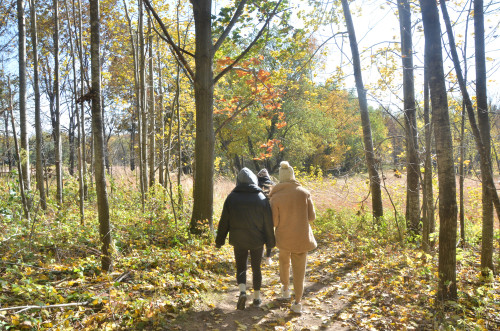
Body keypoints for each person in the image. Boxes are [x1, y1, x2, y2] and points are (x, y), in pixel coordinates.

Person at [215, 167, 276, 310]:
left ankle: (242, 291)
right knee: (256, 268)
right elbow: (268, 223)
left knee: (241, 267)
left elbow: (224, 221)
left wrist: (220, 241)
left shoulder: (231, 198)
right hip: (257, 240)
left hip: (238, 239)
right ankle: (256, 298)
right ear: (254, 180)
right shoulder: (261, 198)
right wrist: (270, 243)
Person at [269, 161, 317, 314]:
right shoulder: (304, 193)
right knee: (300, 271)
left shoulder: (275, 197)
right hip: (301, 237)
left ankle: (285, 289)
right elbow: (311, 217)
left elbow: (274, 222)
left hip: (283, 237)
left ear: (280, 178)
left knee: (284, 262)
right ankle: (297, 302)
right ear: (293, 176)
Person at [257, 168, 275, 265]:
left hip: (257, 213)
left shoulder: (255, 185)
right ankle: (268, 258)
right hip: (270, 213)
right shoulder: (273, 185)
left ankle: (259, 254)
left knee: (259, 233)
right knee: (269, 234)